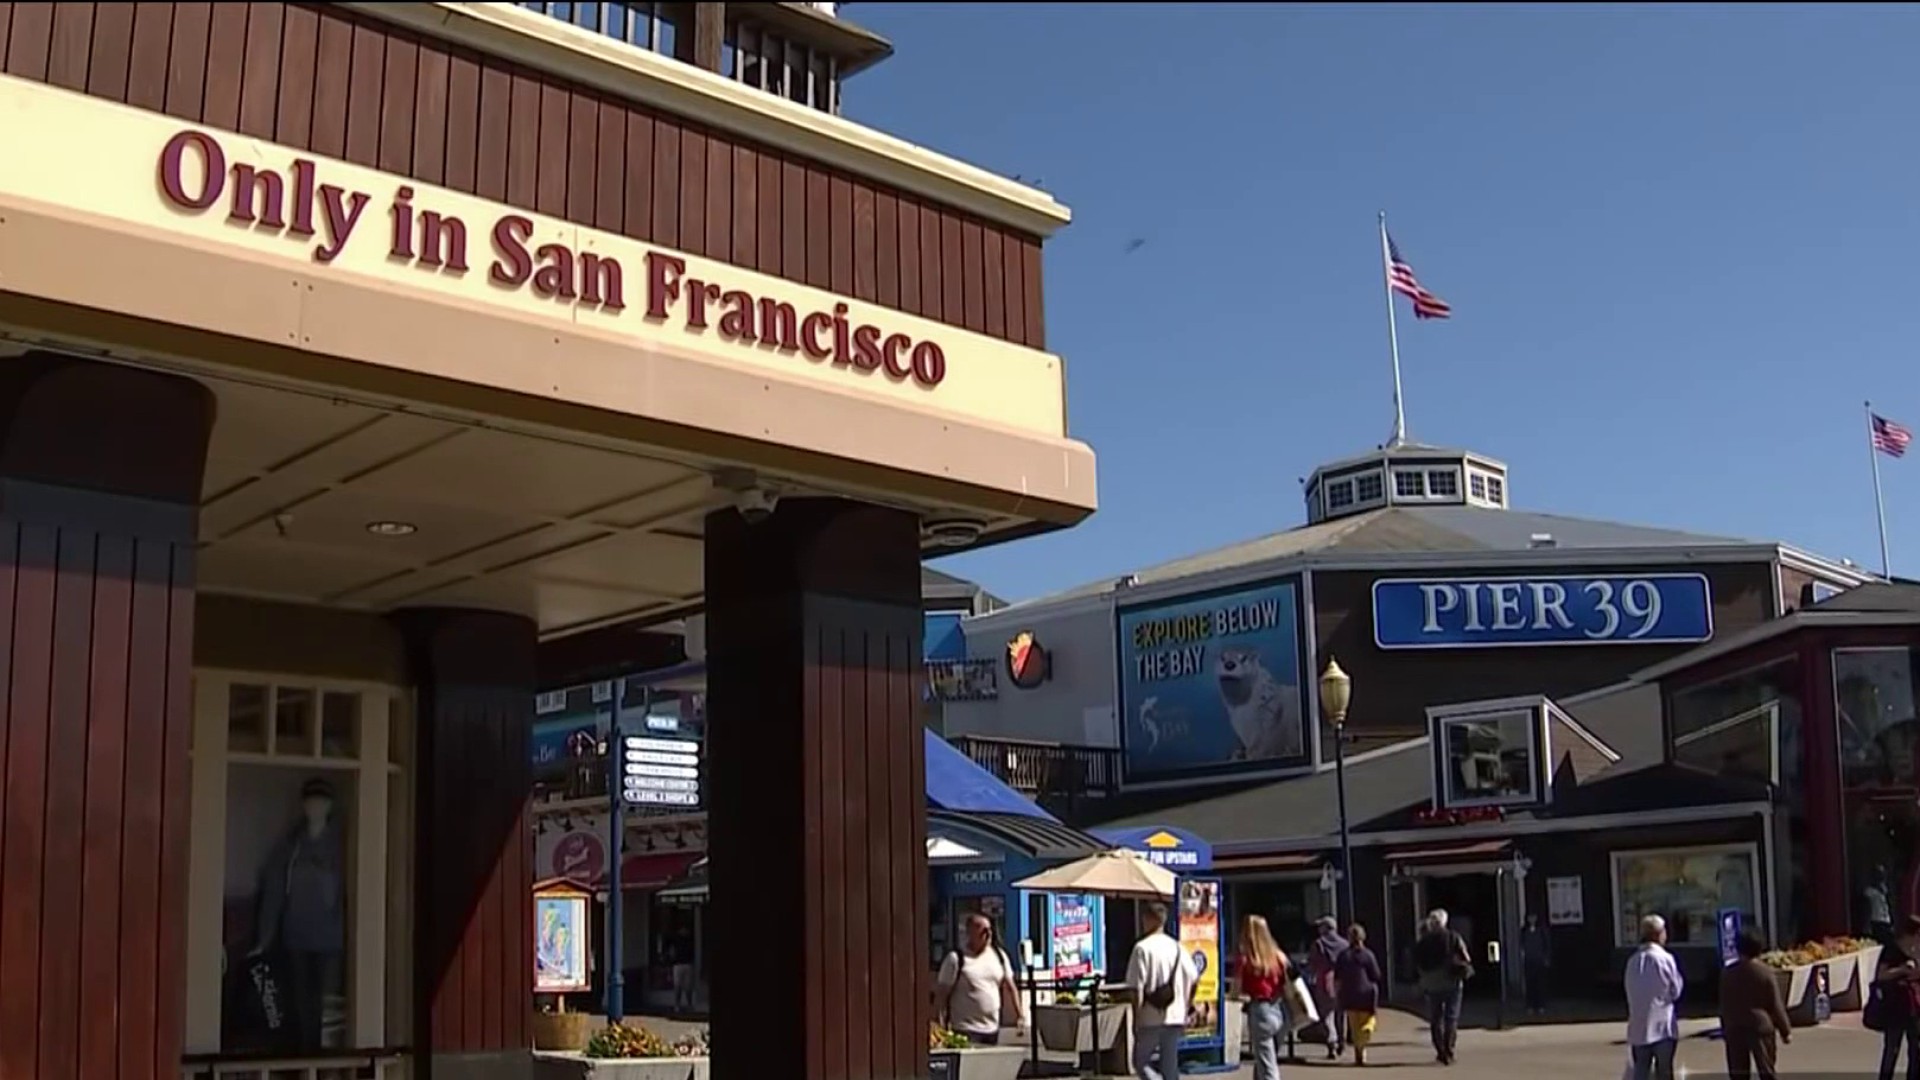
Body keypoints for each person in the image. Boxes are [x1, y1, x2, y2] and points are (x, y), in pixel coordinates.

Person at [1127, 901, 1198, 1080]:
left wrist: (1136, 1018)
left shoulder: (1142, 948)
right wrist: (1187, 1006)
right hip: (1175, 1015)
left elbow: (1136, 988)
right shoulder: (1178, 948)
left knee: (1140, 1062)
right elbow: (1194, 978)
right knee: (1170, 1065)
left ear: (1149, 919)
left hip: (1149, 1017)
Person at [934, 913, 1025, 1047]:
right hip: (965, 1029)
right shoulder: (956, 959)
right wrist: (940, 1027)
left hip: (992, 1029)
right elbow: (941, 995)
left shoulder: (999, 956)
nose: (988, 934)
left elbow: (1011, 987)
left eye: (989, 930)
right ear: (970, 932)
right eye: (983, 930)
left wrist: (1020, 1015)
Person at [1719, 928, 1791, 1080]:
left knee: (1738, 1073)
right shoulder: (1765, 973)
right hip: (1760, 1026)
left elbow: (1724, 1003)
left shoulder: (1727, 973)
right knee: (1766, 1071)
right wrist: (1785, 1030)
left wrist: (1724, 1026)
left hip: (1735, 1026)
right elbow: (1775, 1004)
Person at [1624, 914, 1684, 1080]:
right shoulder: (1666, 959)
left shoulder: (1633, 961)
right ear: (1658, 934)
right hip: (1663, 1027)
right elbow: (1676, 990)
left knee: (1640, 1071)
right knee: (1664, 1072)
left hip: (1638, 1027)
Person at [1234, 914, 1291, 1080]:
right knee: (1265, 1060)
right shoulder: (1279, 957)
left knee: (1267, 1066)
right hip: (1281, 1010)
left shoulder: (1245, 960)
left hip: (1260, 1011)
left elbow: (1236, 992)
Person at [1411, 909, 1471, 1066]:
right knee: (1451, 1017)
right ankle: (1449, 1050)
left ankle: (1440, 1051)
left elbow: (1416, 962)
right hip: (1451, 981)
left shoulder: (1423, 941)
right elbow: (1466, 957)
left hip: (1431, 983)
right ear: (1445, 922)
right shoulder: (1453, 937)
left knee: (1435, 1018)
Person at [1874, 915, 1920, 1080]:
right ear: (1910, 934)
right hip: (1894, 1005)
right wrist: (1902, 970)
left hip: (1914, 1006)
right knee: (1892, 1048)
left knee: (1916, 1048)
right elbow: (1881, 975)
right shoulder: (1892, 949)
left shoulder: (1917, 951)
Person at [1334, 923, 1383, 1066]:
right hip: (1366, 994)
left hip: (1348, 994)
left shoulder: (1343, 956)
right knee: (1368, 1019)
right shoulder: (1368, 955)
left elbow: (1338, 977)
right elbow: (1376, 975)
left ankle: (1359, 1054)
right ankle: (1366, 1033)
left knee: (1354, 1026)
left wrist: (1338, 994)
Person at [1306, 916, 1350, 1059]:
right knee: (1340, 1015)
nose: (1319, 929)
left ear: (1326, 928)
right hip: (1343, 982)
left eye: (1321, 926)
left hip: (1325, 982)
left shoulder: (1319, 944)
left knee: (1327, 1016)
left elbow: (1312, 963)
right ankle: (1341, 1042)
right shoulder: (1345, 944)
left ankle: (1332, 1043)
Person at [1520, 913, 1552, 1016]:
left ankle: (1541, 1005)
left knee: (1540, 984)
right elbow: (1522, 945)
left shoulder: (1541, 930)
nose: (1532, 919)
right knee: (1530, 984)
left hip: (1539, 960)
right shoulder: (1524, 931)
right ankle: (1530, 1006)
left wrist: (1546, 958)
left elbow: (1546, 944)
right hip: (1529, 960)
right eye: (1530, 917)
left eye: (1534, 917)